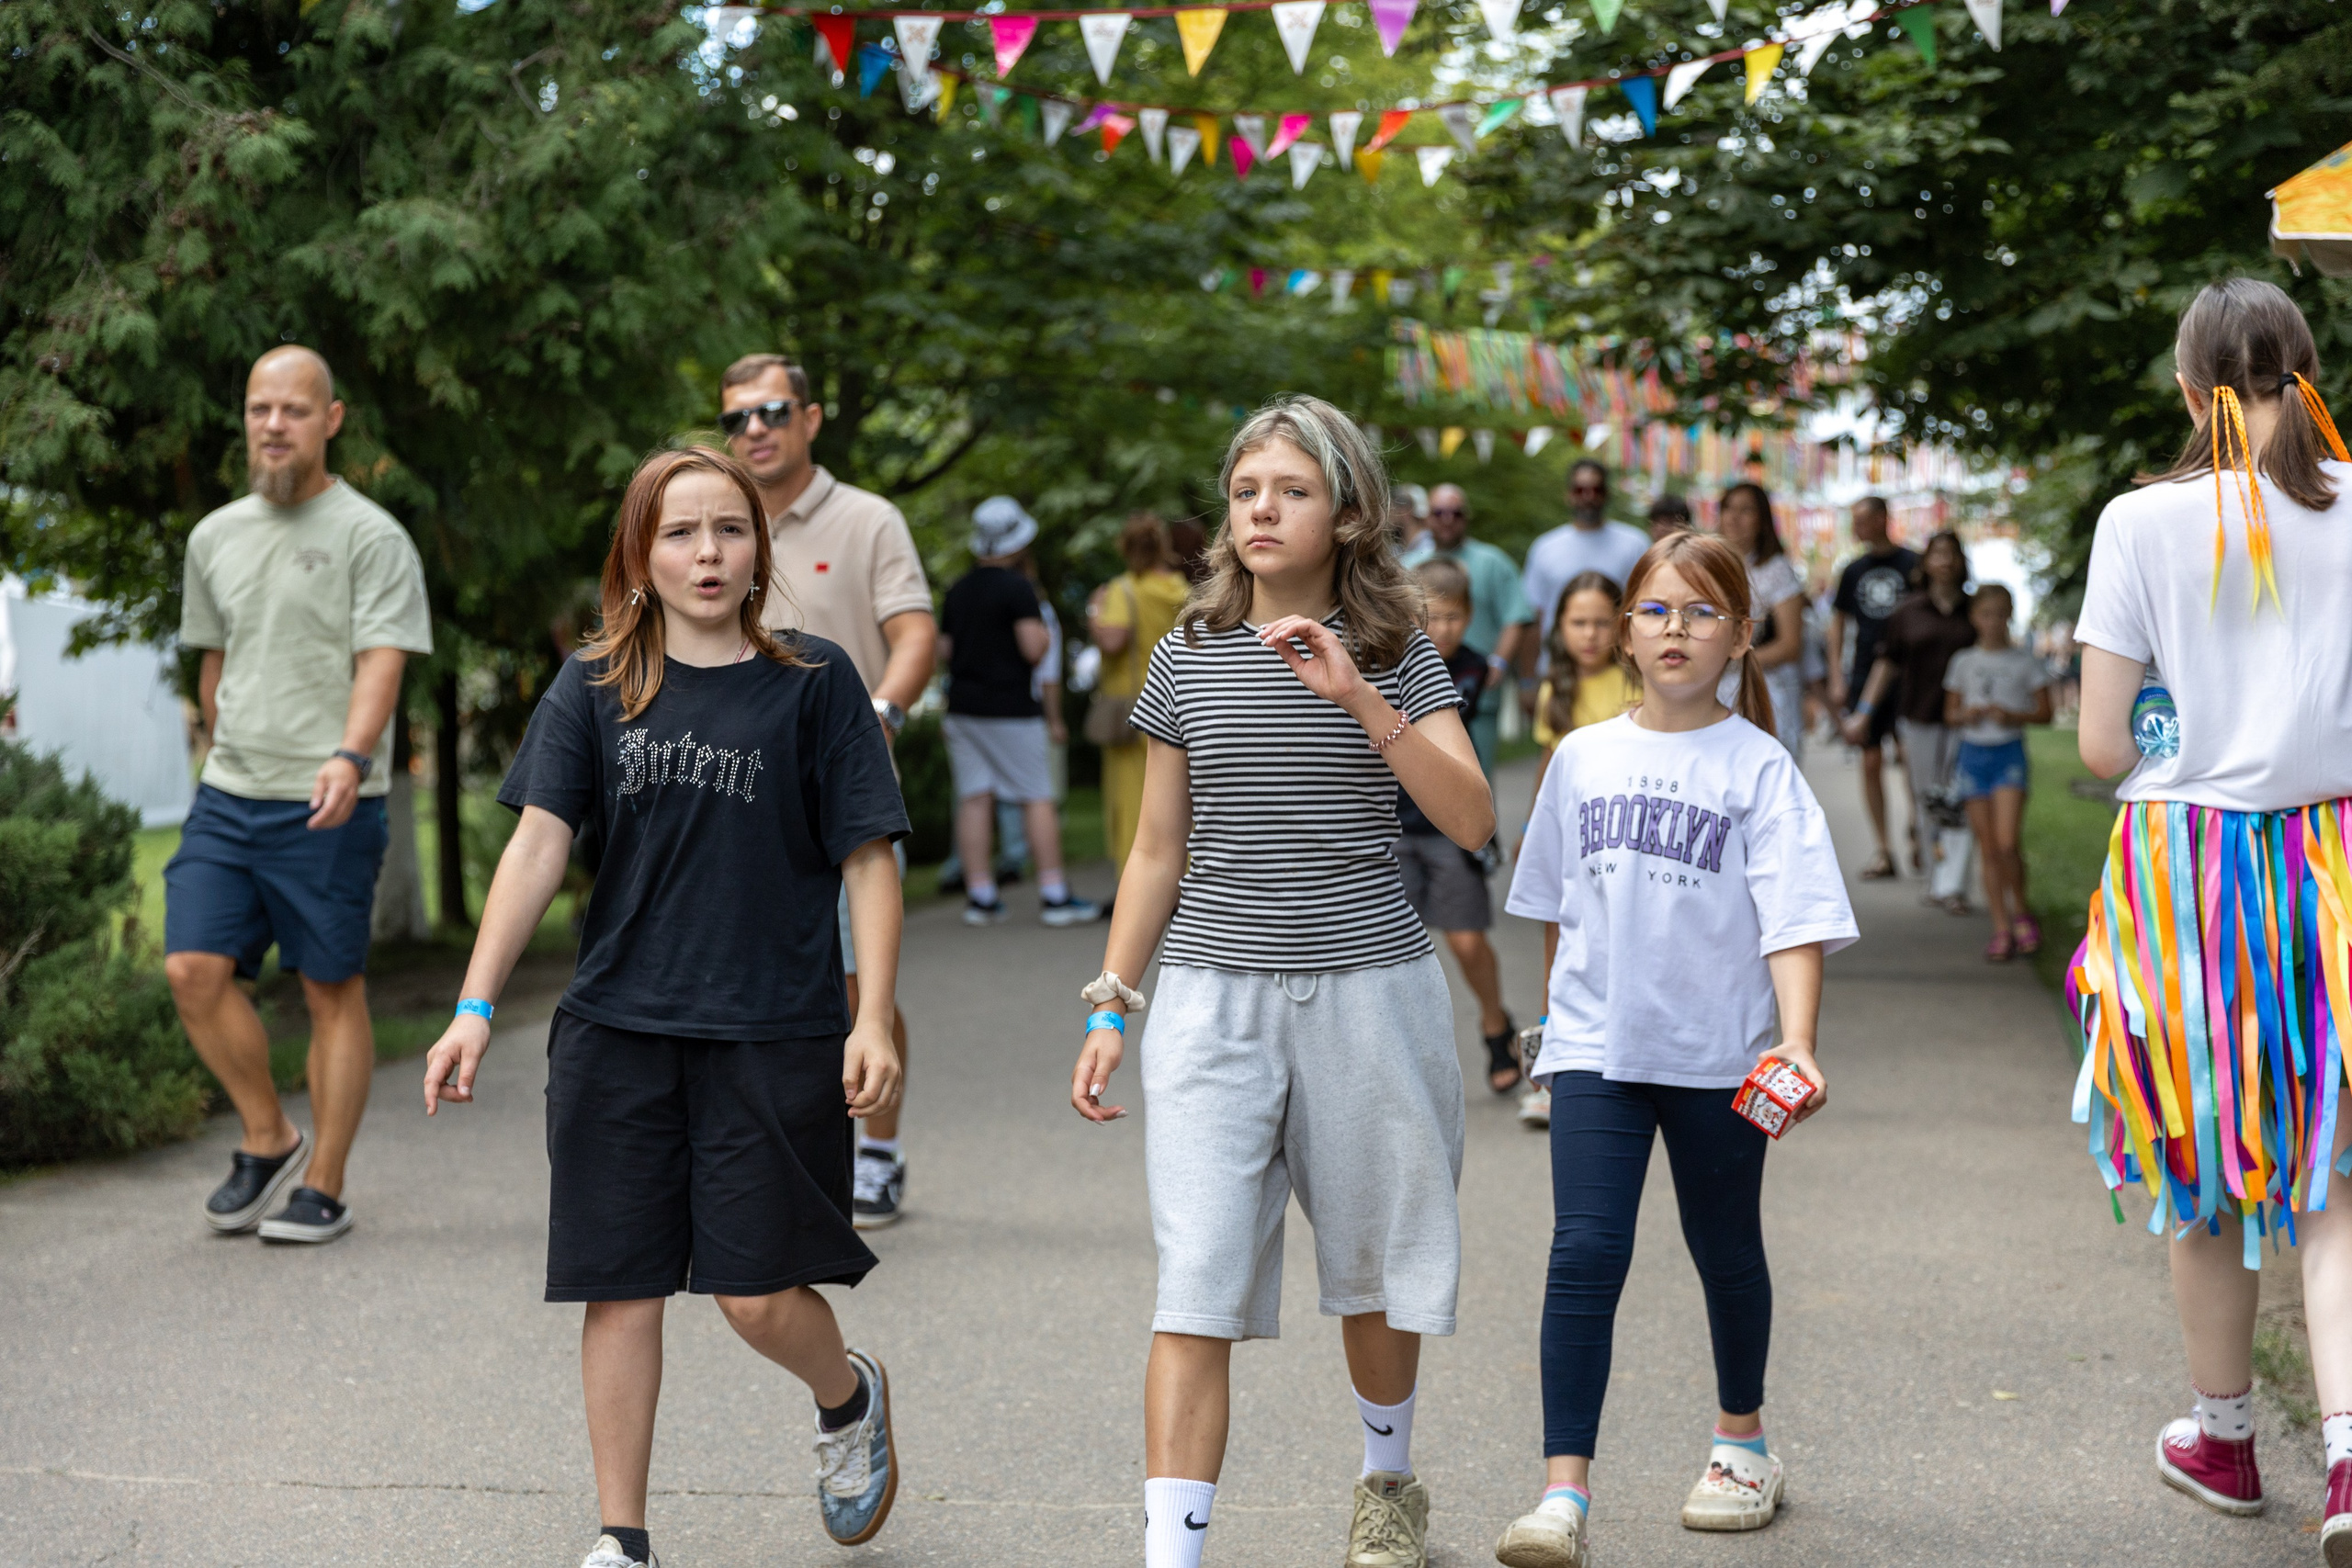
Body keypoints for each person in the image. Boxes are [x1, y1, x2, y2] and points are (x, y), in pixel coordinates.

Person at [419, 447, 910, 1568]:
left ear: (758, 551)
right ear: (640, 556)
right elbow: (538, 845)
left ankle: (844, 1398)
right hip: (617, 1030)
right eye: (680, 533)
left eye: (729, 530)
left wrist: (870, 1015)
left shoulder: (814, 680)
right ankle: (622, 1537)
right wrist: (474, 1006)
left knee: (752, 1295)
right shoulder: (595, 683)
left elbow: (869, 858)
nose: (706, 552)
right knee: (620, 1286)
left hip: (771, 1029)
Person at [1069, 395, 1493, 1568]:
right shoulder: (1186, 653)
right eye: (1247, 489)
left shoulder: (1398, 652)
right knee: (1194, 1280)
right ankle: (1173, 1555)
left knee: (1372, 1270)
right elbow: (1160, 848)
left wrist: (1356, 696)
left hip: (1369, 993)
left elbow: (1467, 817)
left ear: (1347, 514)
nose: (1261, 508)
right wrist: (1113, 995)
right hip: (1212, 1000)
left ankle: (1387, 1478)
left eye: (1291, 490)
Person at [1493, 531, 1857, 1568]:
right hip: (1599, 1051)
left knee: (1724, 1247)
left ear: (1742, 637)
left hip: (1720, 1057)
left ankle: (1741, 1446)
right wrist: (1553, 1031)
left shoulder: (1760, 768)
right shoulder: (1580, 758)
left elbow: (1793, 919)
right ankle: (1564, 1496)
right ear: (1623, 633)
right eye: (1654, 610)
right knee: (1584, 1250)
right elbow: (1558, 914)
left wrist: (1795, 1042)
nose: (1674, 631)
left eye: (1701, 613)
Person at [2064, 280, 2352, 1554]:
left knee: (2201, 1153)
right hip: (2337, 859)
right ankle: (2349, 1454)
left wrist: (2184, 730)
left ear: (2190, 388)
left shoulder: (2138, 520)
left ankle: (2224, 1435)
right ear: (2307, 372)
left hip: (2184, 870)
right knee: (2336, 1166)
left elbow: (2094, 743)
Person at [166, 345, 433, 1246]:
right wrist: (214, 745)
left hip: (330, 800)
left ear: (332, 419)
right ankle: (268, 1133)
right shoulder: (215, 537)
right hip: (231, 793)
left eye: (292, 409)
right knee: (192, 971)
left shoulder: (370, 535)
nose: (272, 424)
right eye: (257, 409)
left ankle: (325, 1181)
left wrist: (352, 756)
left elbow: (382, 660)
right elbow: (215, 659)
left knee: (329, 987)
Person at [723, 353, 935, 1229]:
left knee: (857, 984)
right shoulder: (716, 520)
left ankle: (877, 1154)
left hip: (841, 796)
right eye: (737, 418)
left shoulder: (866, 519)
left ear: (810, 418)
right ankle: (766, 1145)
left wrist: (881, 710)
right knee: (744, 979)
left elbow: (916, 634)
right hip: (736, 797)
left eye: (773, 411)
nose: (755, 431)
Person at [937, 497, 1099, 929]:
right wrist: (1043, 639)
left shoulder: (958, 589)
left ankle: (982, 898)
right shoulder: (1017, 588)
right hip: (1011, 710)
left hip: (963, 710)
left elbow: (944, 650)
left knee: (974, 799)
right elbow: (1032, 648)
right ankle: (1054, 894)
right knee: (1037, 797)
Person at [1519, 570, 1637, 1132]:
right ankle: (1553, 1053)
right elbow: (1550, 765)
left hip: (1624, 838)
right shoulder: (1553, 690)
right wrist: (1530, 827)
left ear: (1622, 627)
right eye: (1577, 623)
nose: (1589, 635)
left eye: (1600, 622)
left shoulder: (1636, 686)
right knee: (1559, 937)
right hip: (1570, 834)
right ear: (1559, 628)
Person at [1402, 557, 1519, 1096]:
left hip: (1449, 826)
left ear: (1469, 617)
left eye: (1453, 617)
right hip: (1390, 826)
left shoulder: (1473, 669)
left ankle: (1496, 1024)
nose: (1442, 628)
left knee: (1467, 942)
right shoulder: (1387, 663)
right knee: (1389, 951)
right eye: (1430, 617)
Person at [1847, 533, 1976, 908]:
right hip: (1918, 716)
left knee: (1959, 799)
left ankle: (1954, 884)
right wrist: (1863, 714)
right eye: (1937, 554)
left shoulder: (1973, 610)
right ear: (1925, 563)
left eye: (1952, 554)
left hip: (1965, 721)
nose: (1945, 562)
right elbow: (1886, 664)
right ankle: (1935, 878)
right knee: (1925, 798)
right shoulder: (1908, 612)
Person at [1942, 583, 2052, 961]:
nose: (1993, 622)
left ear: (2010, 615)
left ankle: (2022, 910)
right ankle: (2001, 926)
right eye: (1985, 614)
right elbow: (1950, 712)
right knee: (1988, 847)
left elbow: (2046, 713)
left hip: (2008, 754)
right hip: (1973, 755)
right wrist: (1966, 715)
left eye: (2000, 613)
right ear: (1975, 617)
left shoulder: (2025, 662)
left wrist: (2012, 716)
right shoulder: (1964, 662)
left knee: (2007, 843)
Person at [1402, 483, 1535, 773]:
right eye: (1439, 512)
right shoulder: (1407, 565)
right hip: (1414, 691)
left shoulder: (1492, 562)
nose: (1447, 519)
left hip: (1477, 693)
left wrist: (1498, 662)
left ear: (1467, 517)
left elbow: (1517, 615)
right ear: (1427, 518)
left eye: (1456, 513)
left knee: (1476, 775)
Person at [1090, 513, 1193, 872]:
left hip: (1133, 709)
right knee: (1182, 796)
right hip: (1178, 701)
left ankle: (1138, 876)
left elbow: (1113, 638)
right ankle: (1186, 870)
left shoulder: (1124, 590)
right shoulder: (1181, 589)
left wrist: (1094, 613)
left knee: (1134, 796)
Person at [1826, 497, 1920, 880]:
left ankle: (1920, 829)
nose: (1857, 527)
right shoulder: (1852, 570)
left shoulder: (1912, 564)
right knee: (1869, 760)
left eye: (1863, 520)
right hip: (1864, 673)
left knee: (1910, 755)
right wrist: (1836, 673)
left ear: (1883, 519)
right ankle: (1883, 848)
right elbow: (1838, 623)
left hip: (1909, 674)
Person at [1713, 483, 1806, 759]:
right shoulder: (1708, 565)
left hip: (1761, 685)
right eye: (1729, 508)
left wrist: (1729, 660)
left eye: (1746, 510)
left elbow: (1790, 645)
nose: (1734, 517)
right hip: (1712, 687)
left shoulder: (1776, 571)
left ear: (1762, 519)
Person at [1521, 460, 1650, 654]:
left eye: (1596, 490)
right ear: (1569, 495)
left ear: (1606, 494)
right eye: (1580, 490)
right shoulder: (1544, 548)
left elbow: (1648, 607)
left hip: (1620, 664)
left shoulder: (1635, 544)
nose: (1588, 497)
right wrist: (1529, 678)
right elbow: (1534, 617)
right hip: (1557, 666)